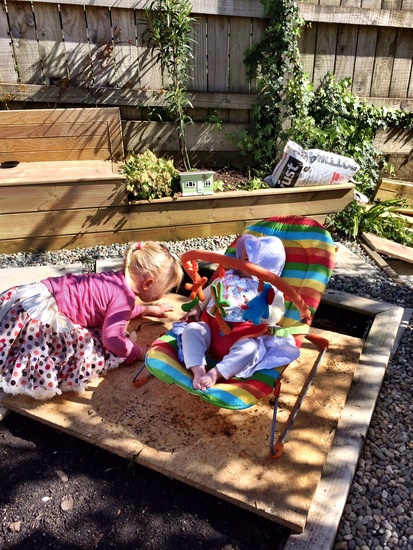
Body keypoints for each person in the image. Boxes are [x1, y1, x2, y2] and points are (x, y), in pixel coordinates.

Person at [0, 241, 183, 400]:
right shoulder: (124, 297)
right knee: (84, 348)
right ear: (148, 283)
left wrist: (149, 309)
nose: (164, 294)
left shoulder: (115, 279)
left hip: (30, 299)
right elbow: (112, 339)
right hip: (41, 319)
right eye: (165, 289)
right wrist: (139, 352)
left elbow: (117, 312)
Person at [181, 234, 300, 390]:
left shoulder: (269, 290)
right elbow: (207, 293)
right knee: (191, 329)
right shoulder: (226, 277)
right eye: (241, 258)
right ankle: (198, 369)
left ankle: (216, 373)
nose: (240, 263)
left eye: (247, 260)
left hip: (242, 335)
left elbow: (276, 314)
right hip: (210, 327)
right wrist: (197, 307)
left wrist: (265, 311)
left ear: (264, 266)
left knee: (250, 350)